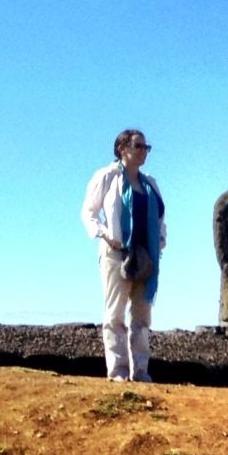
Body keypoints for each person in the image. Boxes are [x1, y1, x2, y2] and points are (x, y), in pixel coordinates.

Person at [81, 128, 166, 382]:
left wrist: (161, 241)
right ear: (122, 149)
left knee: (142, 315)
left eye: (146, 147)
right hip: (116, 254)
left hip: (146, 256)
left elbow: (161, 218)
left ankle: (140, 371)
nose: (143, 152)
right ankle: (117, 370)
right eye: (138, 146)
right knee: (115, 313)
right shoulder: (107, 177)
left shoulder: (150, 183)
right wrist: (105, 234)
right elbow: (89, 212)